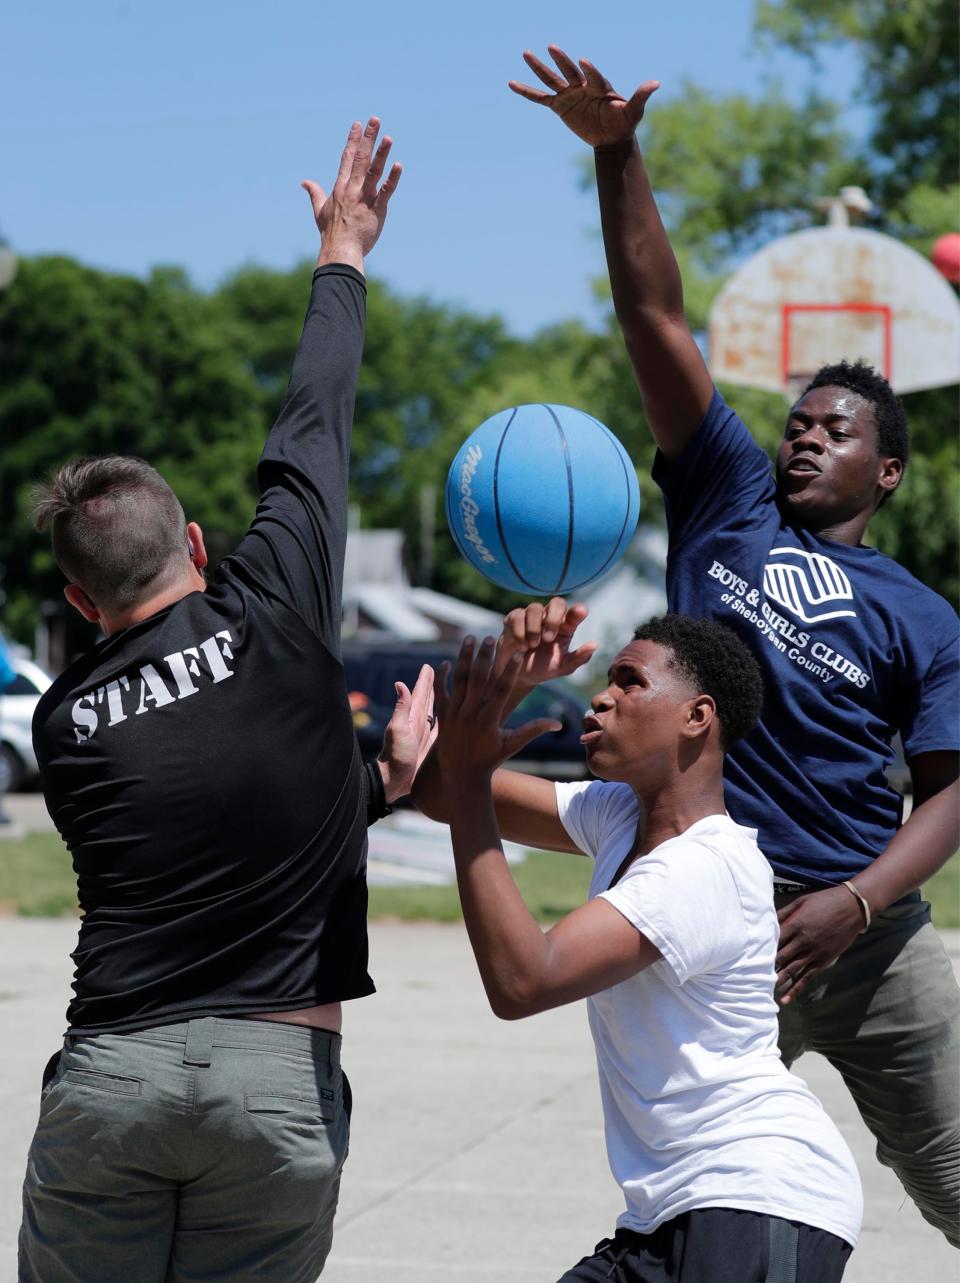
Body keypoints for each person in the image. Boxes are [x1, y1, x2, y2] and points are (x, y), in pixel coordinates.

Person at [507, 45, 960, 1245]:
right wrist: (618, 154)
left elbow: (952, 797)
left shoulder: (921, 613)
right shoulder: (726, 498)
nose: (807, 437)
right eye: (799, 421)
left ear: (888, 468)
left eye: (839, 429)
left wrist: (858, 905)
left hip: (862, 940)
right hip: (714, 926)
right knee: (702, 1190)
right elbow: (652, 311)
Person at [19, 118, 433, 1283]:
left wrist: (371, 786)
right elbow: (317, 418)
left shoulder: (65, 726)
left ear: (78, 599)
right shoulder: (279, 600)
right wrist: (341, 252)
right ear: (199, 542)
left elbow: (206, 820)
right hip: (276, 1080)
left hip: (113, 1079)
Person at [426, 617, 862, 1281]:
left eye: (630, 681)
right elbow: (440, 790)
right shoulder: (617, 815)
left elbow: (525, 980)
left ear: (697, 716)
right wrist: (508, 685)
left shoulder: (704, 868)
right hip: (668, 1212)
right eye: (606, 682)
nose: (603, 697)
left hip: (757, 1197)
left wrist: (463, 781)